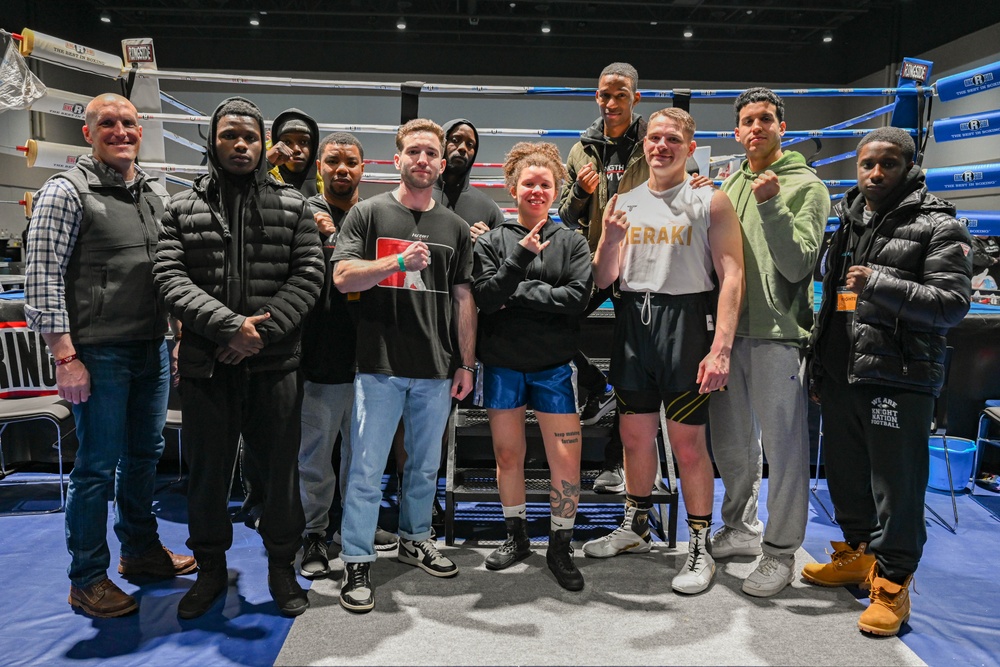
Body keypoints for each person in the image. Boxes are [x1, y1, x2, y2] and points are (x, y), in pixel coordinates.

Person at [24, 93, 195, 618]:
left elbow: (164, 268)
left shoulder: (152, 193)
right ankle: (87, 578)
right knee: (96, 468)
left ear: (140, 130)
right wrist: (64, 356)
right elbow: (42, 277)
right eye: (108, 124)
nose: (120, 131)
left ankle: (140, 551)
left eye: (128, 123)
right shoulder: (64, 192)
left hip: (150, 346)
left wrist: (176, 327)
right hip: (96, 354)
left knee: (144, 455)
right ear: (88, 133)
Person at [153, 96, 324, 619]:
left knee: (278, 477)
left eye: (250, 136)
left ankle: (280, 569)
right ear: (213, 141)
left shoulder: (295, 207)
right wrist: (230, 328)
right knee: (207, 476)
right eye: (231, 135)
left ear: (264, 143)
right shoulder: (181, 208)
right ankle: (209, 572)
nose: (241, 144)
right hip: (208, 366)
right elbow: (168, 277)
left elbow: (309, 277)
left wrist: (258, 333)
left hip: (275, 368)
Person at [804, 127, 972, 636]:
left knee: (896, 487)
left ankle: (894, 583)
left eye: (888, 164)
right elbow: (834, 301)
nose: (874, 173)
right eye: (866, 164)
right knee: (847, 474)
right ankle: (857, 554)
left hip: (898, 376)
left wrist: (879, 283)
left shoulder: (939, 225)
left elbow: (952, 305)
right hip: (842, 371)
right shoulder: (849, 218)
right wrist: (819, 362)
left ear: (910, 166)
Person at [582, 108, 744, 596]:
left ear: (690, 147)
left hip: (686, 324)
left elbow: (732, 274)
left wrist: (721, 349)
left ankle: (697, 544)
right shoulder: (624, 202)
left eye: (673, 139)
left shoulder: (709, 199)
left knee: (689, 445)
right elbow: (604, 277)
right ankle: (636, 526)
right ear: (644, 144)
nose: (661, 146)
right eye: (654, 138)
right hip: (634, 323)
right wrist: (608, 239)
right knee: (633, 437)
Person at [331, 118, 476, 613]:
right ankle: (356, 557)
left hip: (436, 368)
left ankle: (416, 538)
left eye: (431, 153)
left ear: (441, 162)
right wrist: (394, 264)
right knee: (367, 469)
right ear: (396, 160)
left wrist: (467, 363)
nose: (423, 159)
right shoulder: (368, 214)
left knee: (425, 466)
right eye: (413, 151)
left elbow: (463, 299)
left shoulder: (454, 227)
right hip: (380, 366)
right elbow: (345, 278)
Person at [707, 87, 830, 597]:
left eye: (765, 119)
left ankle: (781, 552)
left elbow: (799, 264)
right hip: (726, 332)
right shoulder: (729, 182)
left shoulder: (808, 187)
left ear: (783, 127)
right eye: (747, 121)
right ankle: (739, 528)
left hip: (778, 335)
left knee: (783, 449)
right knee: (732, 445)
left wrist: (772, 202)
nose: (755, 127)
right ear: (737, 132)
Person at [472, 142, 593, 591]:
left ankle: (560, 546)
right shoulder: (491, 240)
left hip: (554, 367)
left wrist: (515, 292)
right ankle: (516, 536)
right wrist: (520, 262)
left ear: (557, 189)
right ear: (512, 187)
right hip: (503, 364)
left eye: (545, 184)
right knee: (508, 455)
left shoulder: (573, 241)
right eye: (529, 183)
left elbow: (576, 300)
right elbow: (485, 297)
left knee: (565, 459)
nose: (536, 190)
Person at [296, 132, 398, 578]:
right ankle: (315, 534)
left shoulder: (376, 217)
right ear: (319, 166)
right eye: (333, 161)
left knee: (364, 457)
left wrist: (336, 239)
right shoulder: (301, 214)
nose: (342, 169)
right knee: (317, 456)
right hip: (320, 352)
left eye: (350, 162)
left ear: (363, 168)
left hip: (372, 356)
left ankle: (356, 525)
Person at [559, 62, 650, 492]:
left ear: (636, 97)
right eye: (604, 95)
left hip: (644, 264)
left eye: (621, 95)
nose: (611, 103)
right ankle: (594, 387)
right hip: (598, 259)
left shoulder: (655, 143)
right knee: (556, 325)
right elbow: (564, 213)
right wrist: (580, 192)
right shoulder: (582, 148)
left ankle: (615, 464)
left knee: (631, 360)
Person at [435, 118, 505, 241]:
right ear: (441, 144)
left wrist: (487, 244)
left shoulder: (488, 208)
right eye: (455, 140)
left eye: (470, 144)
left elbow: (501, 256)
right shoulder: (416, 197)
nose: (463, 148)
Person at [267, 108, 321, 196]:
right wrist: (266, 163)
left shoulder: (328, 181)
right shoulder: (263, 182)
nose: (296, 149)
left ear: (313, 146)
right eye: (287, 142)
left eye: (304, 142)